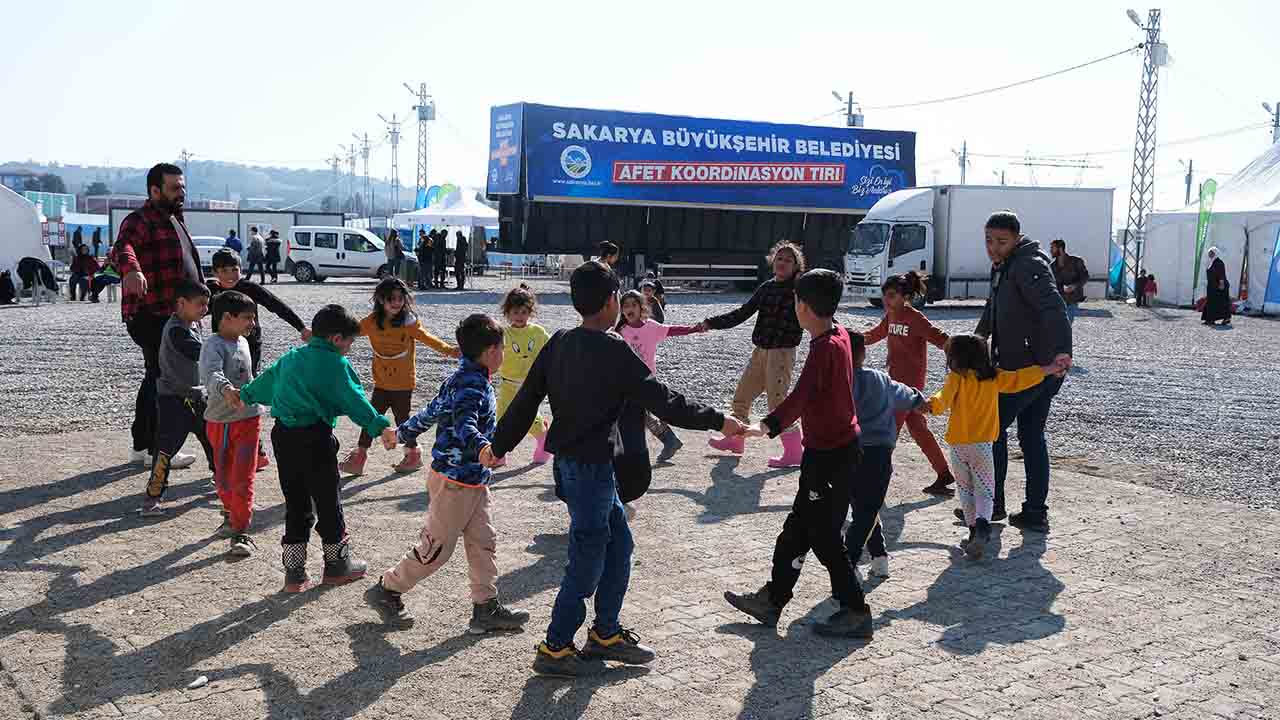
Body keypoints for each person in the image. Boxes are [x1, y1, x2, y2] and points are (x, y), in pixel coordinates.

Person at [490, 261, 743, 677]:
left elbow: (525, 403)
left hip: (580, 469)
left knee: (619, 545)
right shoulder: (613, 349)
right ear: (611, 302)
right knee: (587, 558)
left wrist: (497, 446)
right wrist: (719, 419)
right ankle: (555, 646)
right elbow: (665, 401)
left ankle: (604, 633)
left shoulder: (558, 342)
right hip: (588, 471)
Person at [724, 269, 870, 638]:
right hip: (825, 452)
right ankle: (772, 600)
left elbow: (801, 396)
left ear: (802, 306)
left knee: (823, 535)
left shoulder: (825, 346)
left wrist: (766, 425)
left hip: (833, 455)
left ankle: (856, 610)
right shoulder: (836, 334)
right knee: (797, 529)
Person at [365, 313, 531, 633]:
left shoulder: (462, 377)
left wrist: (400, 433)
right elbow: (466, 423)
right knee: (436, 550)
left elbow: (430, 414)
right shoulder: (471, 385)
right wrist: (483, 449)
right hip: (454, 483)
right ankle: (387, 588)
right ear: (489, 352)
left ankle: (485, 608)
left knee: (483, 541)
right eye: (502, 348)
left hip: (472, 482)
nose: (504, 354)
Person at [236, 304, 398, 593]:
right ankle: (337, 566)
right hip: (316, 438)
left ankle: (294, 574)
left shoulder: (291, 357)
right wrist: (379, 426)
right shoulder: (335, 363)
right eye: (349, 341)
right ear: (337, 338)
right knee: (327, 500)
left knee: (295, 501)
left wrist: (245, 395)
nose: (349, 348)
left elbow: (265, 382)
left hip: (283, 437)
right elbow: (354, 399)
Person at [975, 211, 1073, 533]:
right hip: (1030, 366)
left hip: (1030, 369)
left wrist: (1062, 351)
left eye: (1002, 242)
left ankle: (993, 506)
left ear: (1017, 238)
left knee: (993, 430)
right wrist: (977, 341)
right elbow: (993, 308)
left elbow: (1053, 306)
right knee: (1032, 436)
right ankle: (1034, 512)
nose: (994, 248)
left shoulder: (1028, 265)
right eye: (989, 240)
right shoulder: (1004, 266)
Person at [926, 335, 1065, 558]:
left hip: (959, 445)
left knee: (965, 489)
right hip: (983, 445)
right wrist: (1048, 368)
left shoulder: (956, 378)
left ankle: (972, 531)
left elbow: (942, 399)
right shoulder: (994, 377)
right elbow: (1021, 379)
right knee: (985, 490)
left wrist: (929, 406)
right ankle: (982, 525)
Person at [112, 163, 205, 469]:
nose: (182, 192)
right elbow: (122, 247)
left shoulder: (175, 218)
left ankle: (142, 444)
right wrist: (133, 269)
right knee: (165, 377)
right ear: (154, 190)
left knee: (156, 375)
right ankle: (157, 448)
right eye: (174, 187)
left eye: (183, 187)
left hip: (174, 313)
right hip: (151, 312)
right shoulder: (140, 220)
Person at [340, 277, 460, 476]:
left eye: (399, 298)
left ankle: (413, 454)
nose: (396, 303)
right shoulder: (371, 322)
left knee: (402, 420)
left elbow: (429, 339)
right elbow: (350, 332)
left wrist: (451, 351)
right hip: (381, 381)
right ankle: (360, 457)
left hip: (403, 383)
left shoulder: (408, 322)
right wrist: (327, 335)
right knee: (372, 418)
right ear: (380, 300)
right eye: (391, 299)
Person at [700, 240, 805, 468]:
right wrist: (712, 322)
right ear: (772, 261)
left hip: (782, 353)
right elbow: (742, 313)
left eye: (789, 260)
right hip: (760, 352)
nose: (783, 262)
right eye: (779, 258)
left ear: (797, 266)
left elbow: (819, 312)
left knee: (777, 403)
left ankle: (795, 452)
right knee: (742, 397)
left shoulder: (800, 290)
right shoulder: (766, 287)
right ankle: (736, 441)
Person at [844, 331, 927, 581]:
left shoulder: (838, 381)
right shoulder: (880, 379)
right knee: (868, 508)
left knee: (862, 507)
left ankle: (856, 560)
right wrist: (919, 400)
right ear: (863, 353)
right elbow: (905, 395)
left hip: (847, 452)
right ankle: (872, 558)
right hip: (879, 453)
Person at [863, 271, 954, 496]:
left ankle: (872, 476)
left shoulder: (915, 317)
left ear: (905, 296)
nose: (886, 300)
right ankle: (943, 473)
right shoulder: (891, 315)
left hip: (910, 385)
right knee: (917, 428)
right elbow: (874, 335)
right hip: (896, 382)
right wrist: (850, 337)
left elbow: (938, 337)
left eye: (892, 295)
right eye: (885, 295)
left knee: (887, 429)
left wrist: (960, 353)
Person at [139, 279, 216, 516]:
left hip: (197, 397)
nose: (205, 309)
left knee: (213, 441)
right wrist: (222, 349)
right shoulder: (175, 330)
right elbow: (197, 352)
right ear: (181, 303)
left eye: (207, 304)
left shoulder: (193, 324)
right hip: (173, 400)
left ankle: (222, 479)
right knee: (165, 451)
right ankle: (153, 498)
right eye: (200, 304)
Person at [199, 290, 263, 557]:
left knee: (243, 477)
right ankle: (230, 515)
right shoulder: (212, 345)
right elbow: (211, 373)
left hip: (249, 419)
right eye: (248, 318)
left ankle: (241, 531)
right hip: (220, 421)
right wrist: (226, 390)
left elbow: (252, 376)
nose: (253, 324)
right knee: (223, 478)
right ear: (227, 317)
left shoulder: (244, 342)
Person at [614, 289, 704, 464]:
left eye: (634, 305)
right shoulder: (620, 331)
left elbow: (672, 330)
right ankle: (668, 440)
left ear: (642, 308)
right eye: (625, 306)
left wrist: (694, 329)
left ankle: (667, 440)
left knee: (641, 414)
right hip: (625, 382)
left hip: (646, 381)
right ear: (621, 310)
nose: (629, 308)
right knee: (638, 414)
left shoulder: (651, 327)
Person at [207, 249, 309, 375]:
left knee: (250, 378)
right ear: (215, 272)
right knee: (225, 378)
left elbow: (276, 305)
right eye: (224, 271)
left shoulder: (250, 288)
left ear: (241, 269)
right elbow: (196, 309)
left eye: (234, 270)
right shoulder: (212, 292)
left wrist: (301, 328)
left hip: (250, 344)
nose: (230, 275)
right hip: (222, 344)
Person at [496, 285, 552, 465]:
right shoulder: (503, 333)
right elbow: (493, 353)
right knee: (501, 418)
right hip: (507, 383)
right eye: (515, 312)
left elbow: (552, 349)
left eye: (523, 312)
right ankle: (499, 453)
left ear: (530, 312)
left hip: (530, 385)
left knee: (528, 418)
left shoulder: (538, 332)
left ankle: (543, 438)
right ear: (507, 312)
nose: (519, 316)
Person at [1049, 239, 1089, 325]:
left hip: (1072, 300)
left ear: (1060, 249)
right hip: (1058, 302)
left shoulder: (1076, 261)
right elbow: (1051, 283)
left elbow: (1085, 276)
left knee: (1067, 326)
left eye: (1053, 248)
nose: (1050, 250)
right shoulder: (1052, 266)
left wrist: (1074, 286)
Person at [1201, 247, 1232, 326]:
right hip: (1212, 286)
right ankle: (1210, 319)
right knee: (1212, 303)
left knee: (1221, 303)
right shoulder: (1212, 262)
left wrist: (1221, 284)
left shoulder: (1219, 262)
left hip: (1219, 287)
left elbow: (1221, 274)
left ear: (1216, 253)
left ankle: (1226, 318)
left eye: (1212, 253)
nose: (1210, 254)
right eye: (1209, 253)